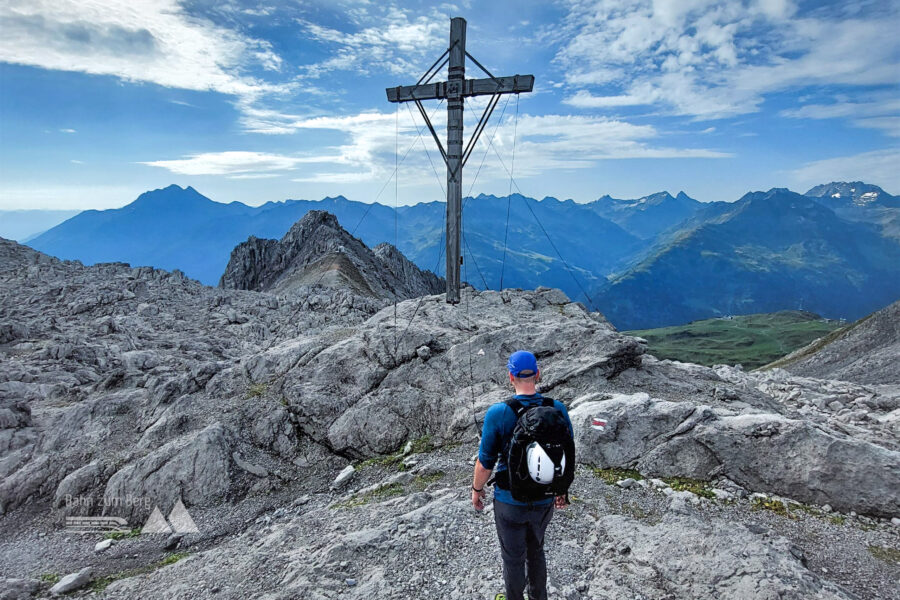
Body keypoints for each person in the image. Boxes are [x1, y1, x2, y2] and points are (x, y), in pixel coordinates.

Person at [471, 350, 574, 600]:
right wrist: (561, 489)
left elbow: (485, 463)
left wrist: (476, 491)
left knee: (513, 558)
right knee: (536, 551)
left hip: (509, 501)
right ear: (538, 375)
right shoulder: (556, 408)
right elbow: (566, 454)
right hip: (544, 498)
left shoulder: (498, 413)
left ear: (510, 377)